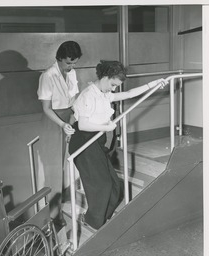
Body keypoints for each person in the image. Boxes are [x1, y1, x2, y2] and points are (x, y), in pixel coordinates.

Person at [69, 60, 168, 230]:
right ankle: (94, 223)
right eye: (113, 84)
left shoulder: (103, 93)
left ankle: (99, 220)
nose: (114, 89)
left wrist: (153, 84)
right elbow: (83, 125)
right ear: (106, 77)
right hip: (83, 142)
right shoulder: (88, 95)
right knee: (103, 185)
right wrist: (106, 127)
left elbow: (129, 93)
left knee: (114, 185)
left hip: (95, 141)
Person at [37, 41, 82, 227]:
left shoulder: (72, 72)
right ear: (60, 58)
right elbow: (46, 108)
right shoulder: (48, 76)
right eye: (68, 63)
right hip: (53, 121)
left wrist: (75, 117)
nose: (71, 67)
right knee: (54, 169)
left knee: (70, 162)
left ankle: (67, 200)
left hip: (69, 118)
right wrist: (63, 124)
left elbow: (74, 99)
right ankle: (54, 217)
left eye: (74, 63)